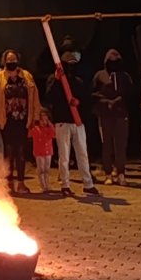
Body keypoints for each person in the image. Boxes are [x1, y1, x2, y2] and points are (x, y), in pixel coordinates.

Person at [0, 50, 41, 194]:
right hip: (6, 121)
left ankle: (21, 183)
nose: (12, 61)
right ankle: (8, 182)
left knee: (21, 152)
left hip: (23, 121)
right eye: (9, 59)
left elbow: (34, 97)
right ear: (4, 61)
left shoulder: (27, 76)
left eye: (14, 58)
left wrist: (36, 117)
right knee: (8, 151)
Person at [47, 51, 99, 196]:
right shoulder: (55, 79)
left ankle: (88, 183)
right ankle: (65, 184)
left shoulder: (79, 81)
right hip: (62, 121)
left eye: (74, 64)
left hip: (78, 122)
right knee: (64, 155)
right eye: (68, 63)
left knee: (82, 153)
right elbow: (50, 97)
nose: (71, 67)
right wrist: (57, 82)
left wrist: (79, 103)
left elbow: (86, 99)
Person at [92, 49, 134, 185]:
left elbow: (130, 93)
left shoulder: (125, 76)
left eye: (116, 56)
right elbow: (94, 93)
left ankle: (121, 173)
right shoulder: (100, 75)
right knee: (107, 145)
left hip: (121, 114)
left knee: (120, 146)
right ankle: (108, 173)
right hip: (105, 115)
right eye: (111, 56)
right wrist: (106, 102)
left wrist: (118, 101)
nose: (113, 58)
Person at [29, 109, 57, 193]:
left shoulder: (49, 128)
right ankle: (43, 186)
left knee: (47, 169)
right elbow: (30, 134)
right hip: (39, 151)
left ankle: (47, 185)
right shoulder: (36, 129)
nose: (44, 121)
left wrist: (50, 125)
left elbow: (54, 135)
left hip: (48, 151)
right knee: (41, 169)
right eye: (42, 118)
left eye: (45, 118)